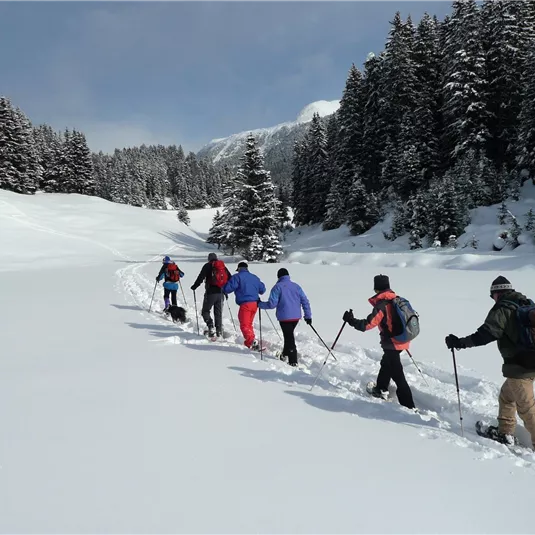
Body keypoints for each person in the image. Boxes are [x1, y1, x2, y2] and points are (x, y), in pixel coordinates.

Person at [445, 276, 535, 448]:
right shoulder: (525, 303)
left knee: (527, 409)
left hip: (520, 367)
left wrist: (460, 343)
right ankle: (505, 433)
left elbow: (486, 334)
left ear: (497, 293)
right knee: (507, 397)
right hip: (529, 362)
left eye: (492, 295)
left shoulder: (503, 308)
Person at [342, 274, 416, 410]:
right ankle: (381, 388)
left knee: (398, 375)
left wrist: (351, 321)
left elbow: (368, 325)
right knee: (386, 363)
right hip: (402, 341)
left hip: (392, 343)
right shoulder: (397, 300)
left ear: (376, 288)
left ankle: (410, 407)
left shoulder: (382, 305)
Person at [259, 268, 312, 367]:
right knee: (288, 336)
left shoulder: (277, 287)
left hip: (284, 317)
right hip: (296, 317)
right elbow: (305, 301)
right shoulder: (296, 287)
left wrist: (260, 304)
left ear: (278, 276)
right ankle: (285, 354)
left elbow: (272, 304)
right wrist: (308, 315)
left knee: (289, 338)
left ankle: (293, 360)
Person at [223, 261, 266, 350]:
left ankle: (252, 341)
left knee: (244, 324)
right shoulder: (254, 277)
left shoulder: (237, 277)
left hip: (245, 304)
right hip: (255, 304)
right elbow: (262, 289)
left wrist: (222, 287)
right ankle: (251, 342)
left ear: (239, 269)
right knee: (249, 324)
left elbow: (228, 289)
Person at [191, 252, 231, 338]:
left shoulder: (207, 266)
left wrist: (195, 286)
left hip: (210, 293)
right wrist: (226, 291)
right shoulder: (223, 266)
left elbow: (200, 277)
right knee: (218, 313)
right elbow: (229, 278)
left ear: (209, 259)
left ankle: (210, 326)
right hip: (221, 293)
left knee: (205, 311)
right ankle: (219, 331)